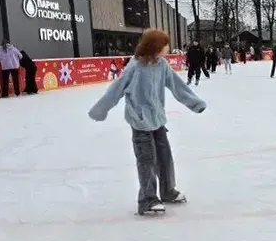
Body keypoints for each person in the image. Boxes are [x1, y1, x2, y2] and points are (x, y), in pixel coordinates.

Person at [88, 29, 207, 215]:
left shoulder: (162, 65)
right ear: (154, 46)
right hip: (140, 122)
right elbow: (116, 90)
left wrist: (195, 103)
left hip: (158, 120)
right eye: (164, 45)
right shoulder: (134, 67)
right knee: (147, 161)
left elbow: (178, 86)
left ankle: (167, 191)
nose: (167, 48)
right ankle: (147, 199)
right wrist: (100, 110)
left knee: (164, 157)